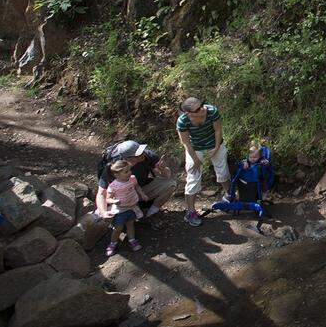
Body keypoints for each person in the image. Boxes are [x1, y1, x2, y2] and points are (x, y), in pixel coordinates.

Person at [92, 140, 176, 242]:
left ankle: (150, 214)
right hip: (120, 198)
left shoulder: (148, 155)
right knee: (101, 215)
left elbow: (167, 176)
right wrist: (103, 211)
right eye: (137, 154)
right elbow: (101, 193)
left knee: (170, 184)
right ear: (127, 158)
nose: (142, 154)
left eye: (141, 151)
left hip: (140, 190)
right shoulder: (114, 166)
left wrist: (162, 169)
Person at [177, 96, 230, 227]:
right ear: (189, 113)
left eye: (202, 105)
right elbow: (186, 143)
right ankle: (190, 212)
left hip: (214, 142)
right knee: (193, 176)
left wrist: (217, 148)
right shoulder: (182, 121)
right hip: (194, 147)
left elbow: (218, 130)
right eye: (198, 109)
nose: (202, 109)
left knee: (222, 170)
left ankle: (229, 196)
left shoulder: (212, 111)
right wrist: (195, 159)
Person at [104, 160, 148, 255]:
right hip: (121, 209)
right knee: (118, 228)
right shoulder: (113, 185)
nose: (129, 173)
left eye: (129, 170)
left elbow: (137, 187)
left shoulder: (132, 179)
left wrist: (142, 195)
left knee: (130, 224)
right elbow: (107, 199)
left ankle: (132, 240)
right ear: (116, 174)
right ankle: (112, 244)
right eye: (126, 172)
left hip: (132, 206)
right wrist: (114, 201)